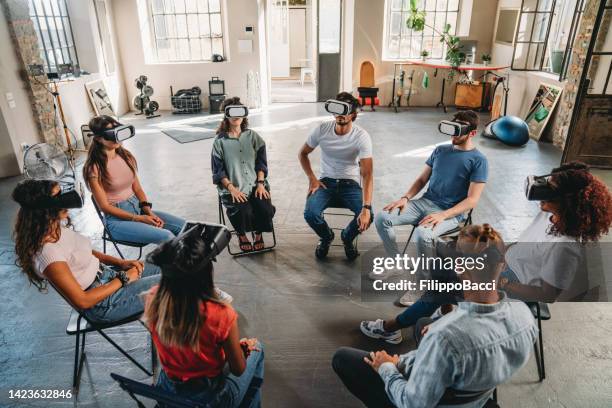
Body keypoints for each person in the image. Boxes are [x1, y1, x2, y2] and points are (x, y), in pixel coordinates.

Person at [333, 224, 538, 408]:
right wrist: (444, 326)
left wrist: (387, 366)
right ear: (503, 265)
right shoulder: (525, 317)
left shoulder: (443, 338)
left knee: (342, 358)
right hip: (476, 396)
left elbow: (411, 403)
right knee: (424, 322)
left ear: (459, 269)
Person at [144, 227, 264, 408]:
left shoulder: (153, 299)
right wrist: (242, 348)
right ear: (207, 273)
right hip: (210, 398)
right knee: (257, 348)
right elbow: (238, 370)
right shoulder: (221, 313)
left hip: (168, 392)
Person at [12, 179, 161, 323]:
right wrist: (123, 279)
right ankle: (168, 344)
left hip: (108, 277)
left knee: (167, 268)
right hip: (104, 303)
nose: (66, 200)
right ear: (43, 209)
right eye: (58, 197)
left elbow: (86, 251)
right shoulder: (48, 253)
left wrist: (121, 263)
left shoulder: (54, 228)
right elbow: (83, 301)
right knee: (173, 283)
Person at [374, 110, 487, 269]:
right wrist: (405, 198)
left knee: (422, 234)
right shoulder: (440, 150)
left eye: (459, 130)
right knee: (381, 218)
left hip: (450, 213)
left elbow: (472, 200)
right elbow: (422, 179)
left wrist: (443, 215)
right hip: (424, 202)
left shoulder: (479, 160)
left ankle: (426, 278)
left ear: (472, 133)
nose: (453, 135)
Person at [499, 162, 612, 302]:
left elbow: (547, 295)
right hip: (505, 264)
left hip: (515, 283)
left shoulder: (564, 246)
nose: (542, 193)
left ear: (569, 201)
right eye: (546, 184)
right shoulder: (549, 215)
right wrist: (503, 252)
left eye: (551, 189)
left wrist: (504, 284)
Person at [84, 115, 186, 245]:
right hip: (116, 221)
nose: (116, 138)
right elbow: (104, 207)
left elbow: (137, 188)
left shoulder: (126, 156)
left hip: (137, 209)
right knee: (167, 237)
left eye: (118, 131)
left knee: (185, 227)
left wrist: (148, 211)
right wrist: (138, 219)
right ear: (98, 138)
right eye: (111, 134)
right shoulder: (94, 168)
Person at [299, 92, 374, 260]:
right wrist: (312, 178)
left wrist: (366, 208)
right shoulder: (322, 130)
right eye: (337, 108)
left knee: (369, 216)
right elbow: (303, 153)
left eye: (345, 109)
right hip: (325, 183)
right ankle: (326, 237)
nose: (341, 113)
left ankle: (347, 239)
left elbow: (368, 174)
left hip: (350, 184)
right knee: (310, 213)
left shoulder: (361, 136)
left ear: (354, 114)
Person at [212, 97, 276, 252]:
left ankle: (258, 232)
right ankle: (242, 235)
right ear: (226, 115)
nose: (236, 115)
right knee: (243, 211)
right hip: (233, 188)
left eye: (239, 111)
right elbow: (218, 171)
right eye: (232, 111)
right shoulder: (219, 142)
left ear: (244, 114)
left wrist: (260, 184)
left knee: (265, 209)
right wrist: (232, 189)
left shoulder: (253, 137)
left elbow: (261, 163)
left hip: (256, 185)